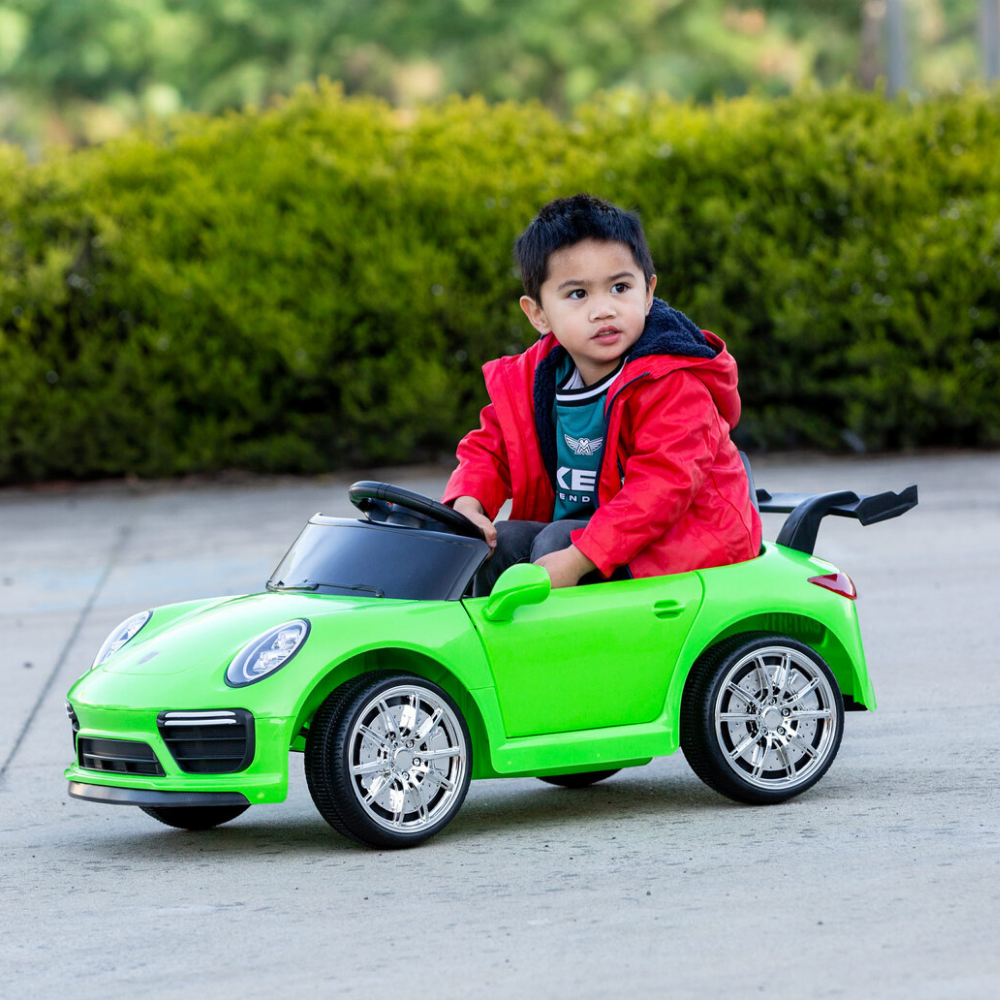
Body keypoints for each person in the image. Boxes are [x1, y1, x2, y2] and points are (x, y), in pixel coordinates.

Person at [443, 193, 761, 593]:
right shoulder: (535, 377)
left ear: (648, 293)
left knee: (558, 543)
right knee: (499, 545)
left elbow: (661, 488)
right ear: (538, 314)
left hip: (684, 546)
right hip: (593, 536)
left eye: (620, 287)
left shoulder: (671, 381)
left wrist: (578, 558)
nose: (603, 309)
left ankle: (563, 632)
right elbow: (491, 448)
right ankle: (498, 632)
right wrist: (467, 505)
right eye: (578, 294)